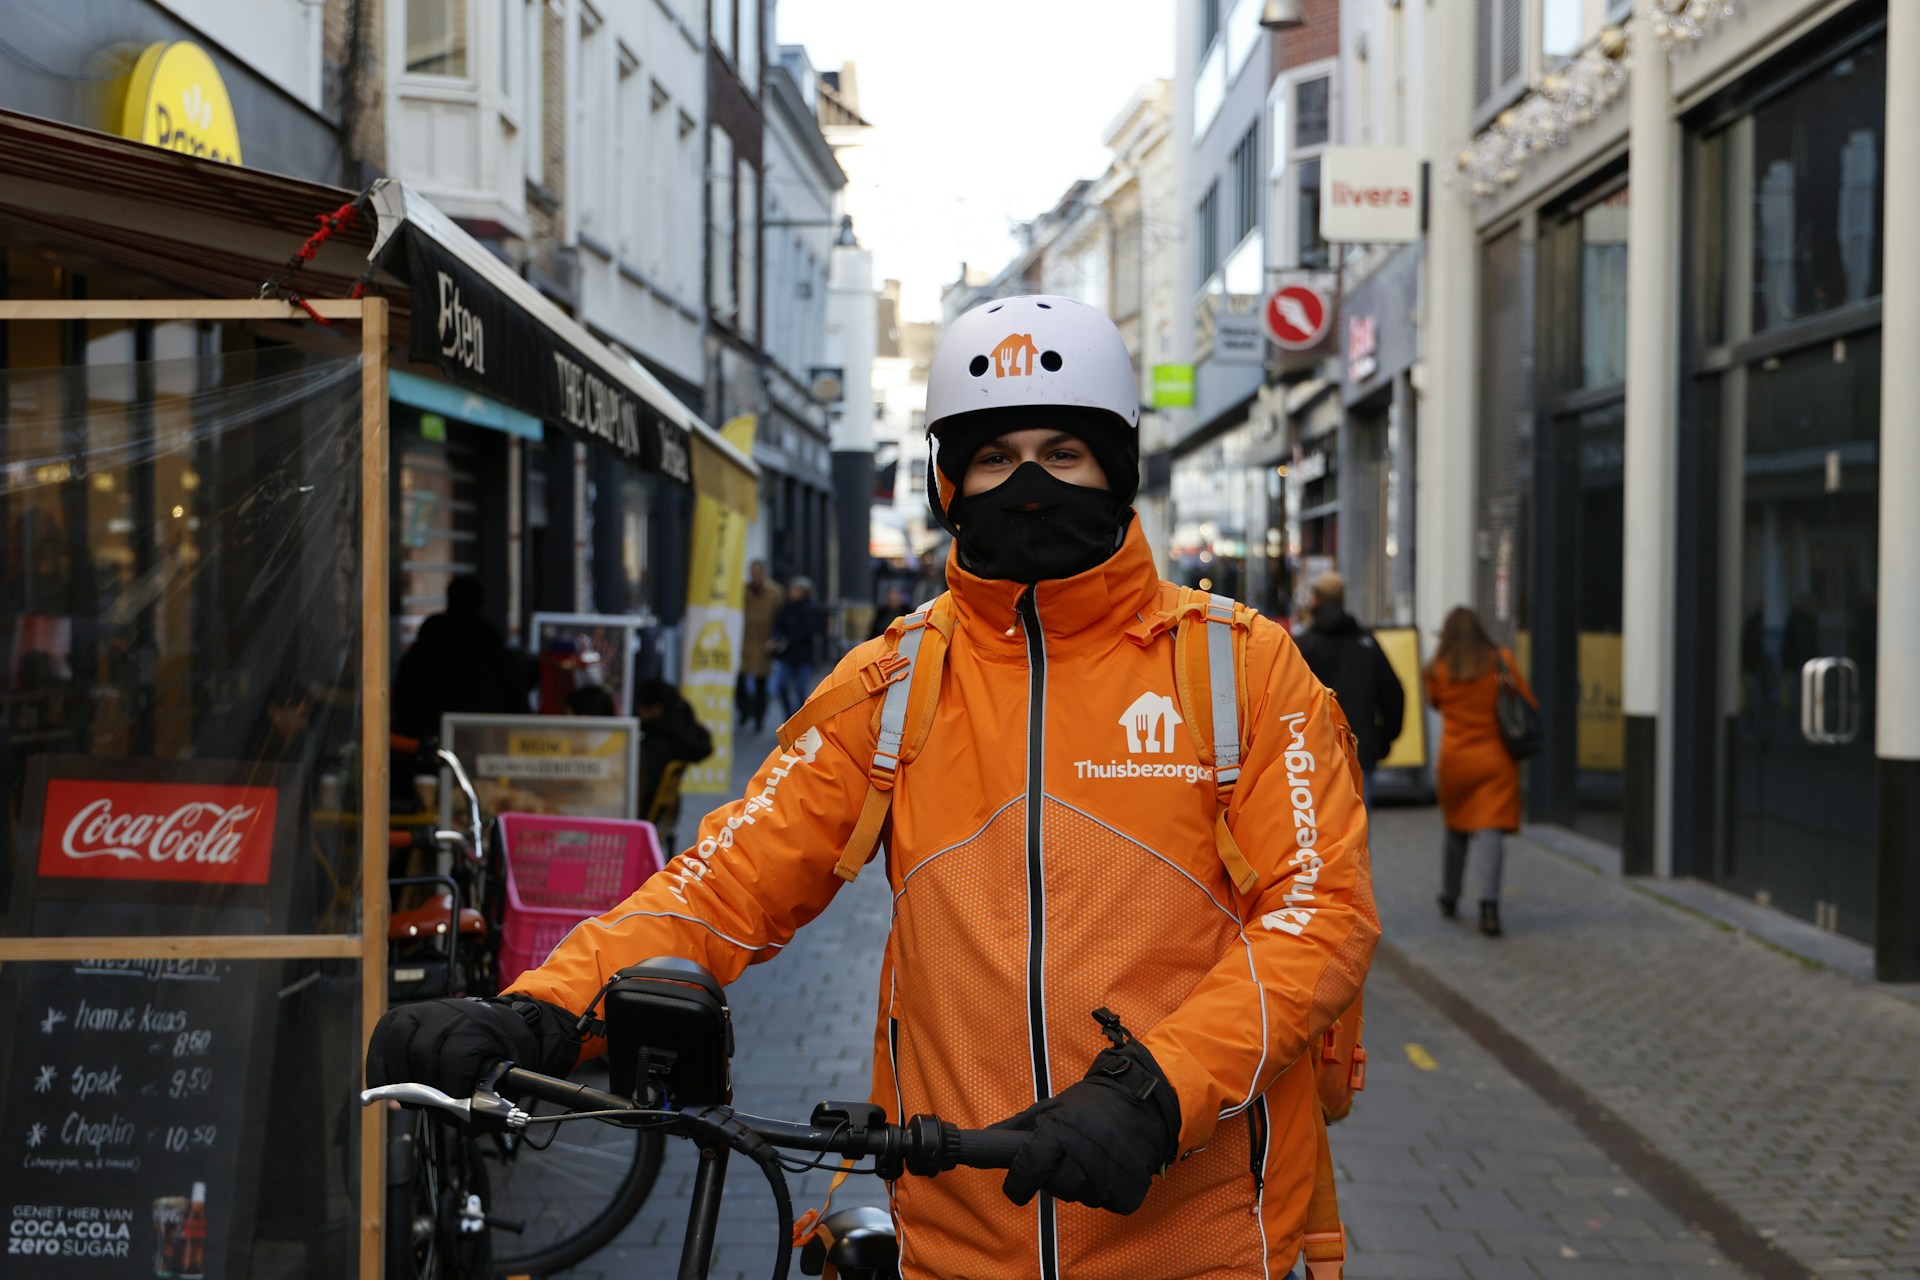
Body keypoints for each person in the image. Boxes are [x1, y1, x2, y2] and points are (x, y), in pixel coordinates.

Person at [366, 295, 1376, 1278]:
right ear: (947, 481)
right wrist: (542, 1004)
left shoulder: (1240, 669)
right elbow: (727, 881)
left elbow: (1321, 911)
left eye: (1061, 454)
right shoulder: (892, 684)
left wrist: (1158, 1087)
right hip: (953, 1228)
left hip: (1199, 1237)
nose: (1028, 484)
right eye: (993, 457)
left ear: (1118, 469)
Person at [1423, 606, 1538, 938]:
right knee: (1489, 830)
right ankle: (1489, 908)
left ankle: (1449, 895)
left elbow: (1436, 703)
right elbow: (1526, 698)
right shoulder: (1500, 660)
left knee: (1457, 828)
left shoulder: (1436, 669)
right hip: (1495, 760)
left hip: (1455, 761)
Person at [1293, 571, 1405, 806]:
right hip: (1360, 747)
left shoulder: (1304, 645)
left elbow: (1287, 699)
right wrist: (1384, 740)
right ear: (1343, 599)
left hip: (1313, 752)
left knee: (1319, 831)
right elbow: (1393, 693)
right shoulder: (1366, 642)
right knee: (1359, 828)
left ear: (1316, 600)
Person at [392, 575, 524, 741]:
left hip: (424, 749)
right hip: (485, 746)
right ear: (482, 606)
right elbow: (519, 710)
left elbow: (402, 701)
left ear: (449, 601)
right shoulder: (496, 655)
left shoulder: (424, 650)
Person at [630, 677, 714, 844]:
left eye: (640, 708)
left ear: (656, 709)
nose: (637, 713)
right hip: (659, 820)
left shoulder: (655, 745)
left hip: (638, 819)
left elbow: (639, 795)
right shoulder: (679, 736)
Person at [768, 576, 821, 720]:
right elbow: (778, 625)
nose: (793, 593)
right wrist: (778, 639)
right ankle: (789, 716)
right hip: (787, 655)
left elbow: (807, 632)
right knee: (782, 685)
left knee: (801, 689)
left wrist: (788, 641)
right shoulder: (786, 607)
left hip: (802, 655)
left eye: (796, 590)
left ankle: (800, 718)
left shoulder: (808, 608)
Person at [739, 560, 782, 733]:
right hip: (745, 642)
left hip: (764, 642)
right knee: (740, 680)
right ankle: (744, 712)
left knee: (761, 683)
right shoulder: (743, 591)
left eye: (757, 572)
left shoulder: (775, 592)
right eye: (752, 572)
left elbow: (780, 617)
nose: (754, 576)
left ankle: (759, 717)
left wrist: (775, 638)